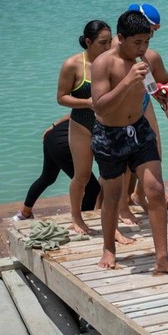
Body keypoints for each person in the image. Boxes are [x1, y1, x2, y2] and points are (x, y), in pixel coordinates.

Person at [90, 9, 168, 275]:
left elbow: (163, 83)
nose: (143, 48)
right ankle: (109, 248)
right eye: (137, 42)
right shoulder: (104, 64)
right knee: (112, 195)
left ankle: (163, 258)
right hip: (109, 135)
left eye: (147, 42)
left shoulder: (147, 57)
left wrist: (167, 92)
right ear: (120, 38)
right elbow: (100, 107)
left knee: (155, 190)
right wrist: (127, 82)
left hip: (139, 130)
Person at [115, 3, 168, 214]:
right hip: (118, 110)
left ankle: (138, 195)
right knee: (123, 161)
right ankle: (122, 205)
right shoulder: (111, 55)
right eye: (152, 30)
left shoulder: (150, 56)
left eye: (151, 35)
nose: (151, 37)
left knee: (154, 153)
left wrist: (166, 100)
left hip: (143, 105)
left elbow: (155, 85)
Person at [56, 20, 112, 235]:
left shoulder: (111, 62)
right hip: (81, 124)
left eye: (110, 42)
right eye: (102, 43)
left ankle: (107, 216)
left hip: (107, 125)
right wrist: (87, 103)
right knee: (82, 176)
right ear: (88, 41)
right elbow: (61, 98)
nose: (107, 48)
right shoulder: (72, 64)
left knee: (111, 175)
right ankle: (76, 217)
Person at [12, 116, 100, 221]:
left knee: (47, 178)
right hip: (64, 145)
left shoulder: (94, 111)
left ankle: (24, 213)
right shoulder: (109, 122)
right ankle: (84, 221)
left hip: (52, 135)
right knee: (92, 188)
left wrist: (53, 125)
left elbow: (71, 115)